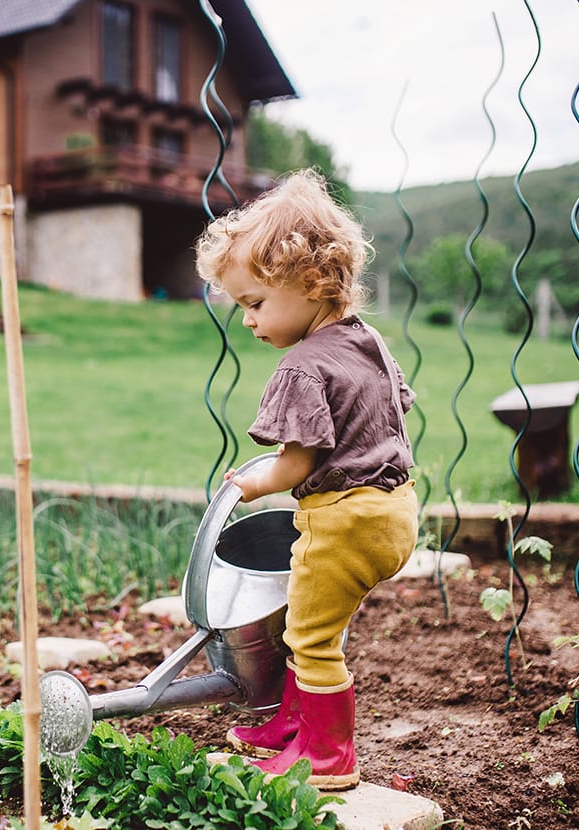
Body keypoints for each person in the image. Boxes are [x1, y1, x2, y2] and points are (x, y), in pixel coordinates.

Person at [193, 169, 418, 791]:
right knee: (312, 623)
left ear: (312, 282)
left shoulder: (302, 365)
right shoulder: (367, 341)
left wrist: (246, 483)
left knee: (312, 638)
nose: (248, 321)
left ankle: (328, 758)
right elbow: (396, 405)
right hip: (395, 509)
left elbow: (295, 465)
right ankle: (293, 727)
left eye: (255, 304)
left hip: (344, 518)